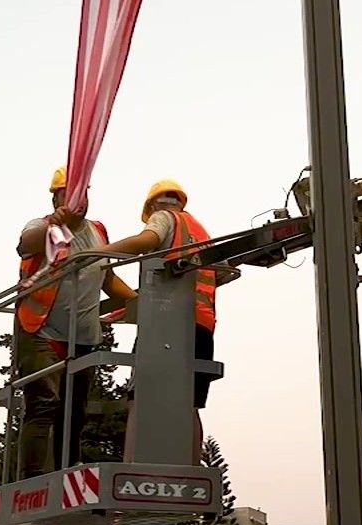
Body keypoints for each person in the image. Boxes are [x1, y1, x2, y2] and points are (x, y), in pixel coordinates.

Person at [13, 167, 136, 478]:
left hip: (82, 336)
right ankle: (33, 479)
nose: (77, 201)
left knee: (75, 412)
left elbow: (107, 277)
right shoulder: (43, 227)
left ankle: (68, 470)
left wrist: (137, 300)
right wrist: (57, 224)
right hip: (40, 330)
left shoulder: (97, 231)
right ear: (56, 199)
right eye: (68, 195)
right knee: (44, 403)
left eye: (82, 194)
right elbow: (25, 244)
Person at [104, 179, 219, 416]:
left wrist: (97, 255)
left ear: (153, 206)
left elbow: (147, 241)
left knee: (141, 400)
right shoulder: (201, 233)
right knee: (190, 407)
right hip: (202, 327)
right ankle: (190, 455)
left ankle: (137, 455)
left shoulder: (165, 216)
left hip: (165, 327)